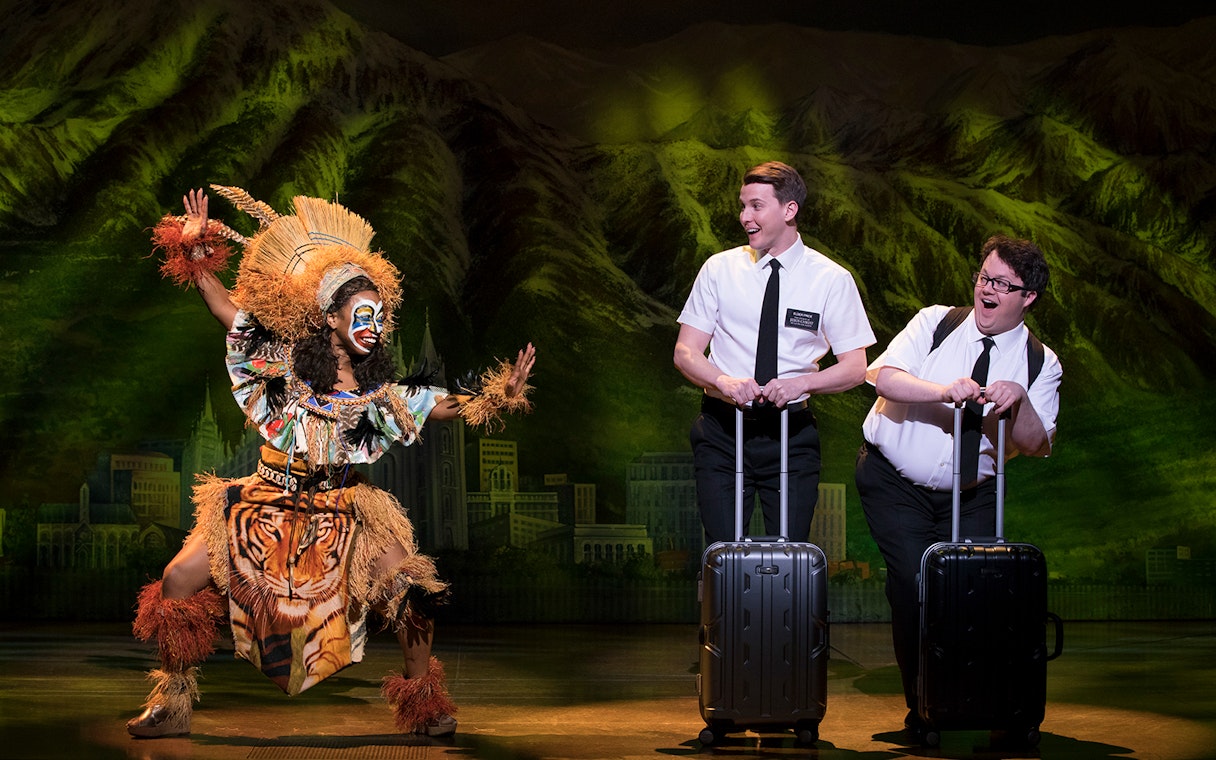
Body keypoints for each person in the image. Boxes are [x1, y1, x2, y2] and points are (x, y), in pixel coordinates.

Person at [127, 186, 536, 739]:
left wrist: (499, 394)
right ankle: (171, 702)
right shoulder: (282, 363)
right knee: (178, 579)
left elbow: (438, 404)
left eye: (380, 316)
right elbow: (225, 308)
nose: (374, 324)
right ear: (329, 318)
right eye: (362, 313)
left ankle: (425, 705)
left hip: (344, 507)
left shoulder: (381, 394)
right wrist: (196, 249)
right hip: (266, 498)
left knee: (410, 593)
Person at [854, 233, 1062, 735]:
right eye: (983, 277)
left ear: (1027, 297)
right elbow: (883, 378)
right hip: (894, 481)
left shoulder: (1040, 362)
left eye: (1002, 284)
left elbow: (1035, 444)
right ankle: (923, 709)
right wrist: (944, 391)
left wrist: (1020, 403)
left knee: (976, 597)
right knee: (915, 585)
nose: (986, 290)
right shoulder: (936, 322)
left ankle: (979, 704)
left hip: (973, 494)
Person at [674, 161, 875, 545]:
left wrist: (801, 383)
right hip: (722, 430)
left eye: (756, 206)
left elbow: (855, 367)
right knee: (723, 556)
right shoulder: (719, 270)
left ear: (789, 210)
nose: (744, 217)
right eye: (742, 206)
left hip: (790, 434)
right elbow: (686, 351)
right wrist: (722, 379)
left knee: (787, 559)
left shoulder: (830, 279)